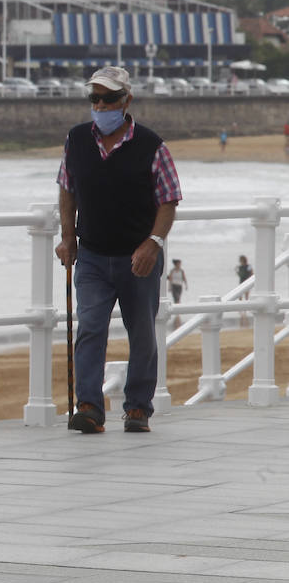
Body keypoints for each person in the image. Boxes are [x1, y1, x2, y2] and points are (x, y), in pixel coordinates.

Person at [56, 66, 181, 435]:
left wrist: (153, 244)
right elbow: (67, 188)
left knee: (141, 332)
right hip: (92, 254)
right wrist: (68, 237)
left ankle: (138, 408)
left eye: (108, 98)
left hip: (137, 257)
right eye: (94, 98)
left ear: (127, 100)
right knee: (90, 327)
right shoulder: (77, 139)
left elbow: (169, 200)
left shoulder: (151, 145)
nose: (100, 105)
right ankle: (90, 406)